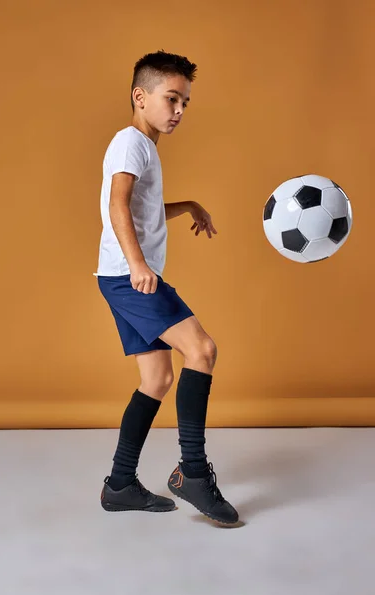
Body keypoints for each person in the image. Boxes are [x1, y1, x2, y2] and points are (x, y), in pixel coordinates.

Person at [93, 50, 239, 525]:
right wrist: (138, 265)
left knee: (156, 380)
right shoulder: (130, 142)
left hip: (119, 277)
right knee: (202, 350)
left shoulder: (146, 147)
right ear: (141, 96)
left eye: (185, 102)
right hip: (129, 277)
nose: (179, 110)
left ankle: (119, 485)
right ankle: (192, 473)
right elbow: (118, 205)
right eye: (171, 98)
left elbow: (143, 210)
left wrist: (190, 205)